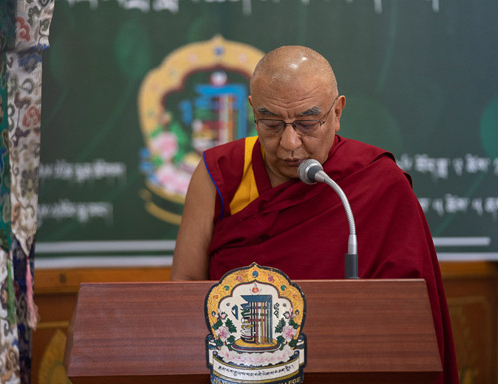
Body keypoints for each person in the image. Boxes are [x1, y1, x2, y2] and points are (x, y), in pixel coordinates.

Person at [171, 45, 458, 383]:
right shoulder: (220, 174)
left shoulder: (379, 184)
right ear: (253, 112)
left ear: (337, 113)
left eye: (307, 123)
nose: (290, 143)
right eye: (272, 124)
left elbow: (408, 313)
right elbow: (185, 291)